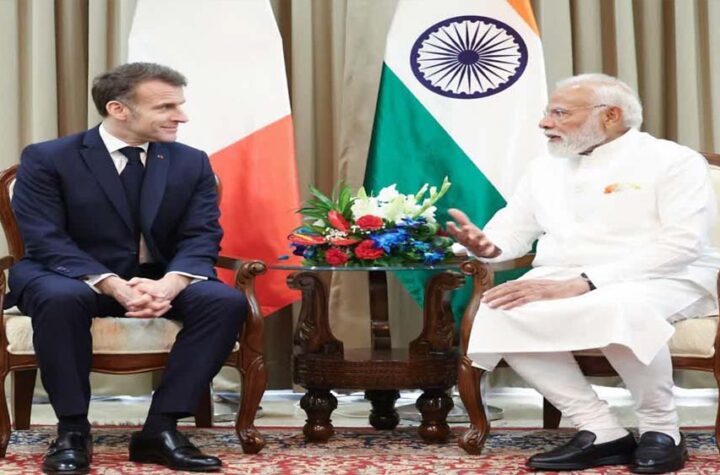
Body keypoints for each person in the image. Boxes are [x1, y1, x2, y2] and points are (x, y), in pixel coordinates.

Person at [447, 73, 720, 474]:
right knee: (498, 308)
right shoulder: (543, 168)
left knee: (618, 306)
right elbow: (512, 232)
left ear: (610, 115)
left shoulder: (673, 161)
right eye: (547, 112)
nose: (545, 123)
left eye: (560, 113)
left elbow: (682, 244)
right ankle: (600, 429)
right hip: (563, 274)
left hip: (664, 274)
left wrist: (586, 283)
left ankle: (662, 430)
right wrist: (486, 247)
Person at [7, 62, 248, 474]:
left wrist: (172, 284)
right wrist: (112, 284)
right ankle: (72, 431)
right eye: (166, 107)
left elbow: (201, 235)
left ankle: (160, 429)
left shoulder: (191, 162)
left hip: (158, 277)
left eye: (180, 104)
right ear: (118, 109)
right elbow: (45, 238)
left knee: (224, 301)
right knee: (60, 298)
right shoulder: (49, 158)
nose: (182, 116)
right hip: (66, 274)